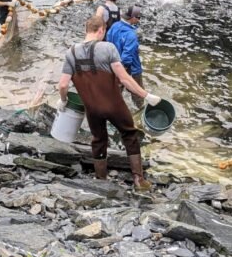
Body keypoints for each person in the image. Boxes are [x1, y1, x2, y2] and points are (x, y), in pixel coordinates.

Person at [57, 16, 161, 190]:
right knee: (129, 134)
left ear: (86, 29)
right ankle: (138, 179)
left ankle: (101, 179)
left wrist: (63, 100)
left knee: (98, 139)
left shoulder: (71, 53)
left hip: (92, 109)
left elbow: (63, 84)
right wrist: (146, 95)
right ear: (101, 30)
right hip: (114, 106)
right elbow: (124, 79)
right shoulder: (108, 48)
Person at [106, 5, 145, 109]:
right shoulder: (131, 35)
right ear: (133, 18)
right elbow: (127, 58)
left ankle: (112, 109)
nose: (139, 20)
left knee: (116, 92)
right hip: (132, 69)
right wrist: (122, 75)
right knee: (137, 92)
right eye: (138, 17)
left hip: (114, 65)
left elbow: (108, 43)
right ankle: (140, 109)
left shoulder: (115, 26)